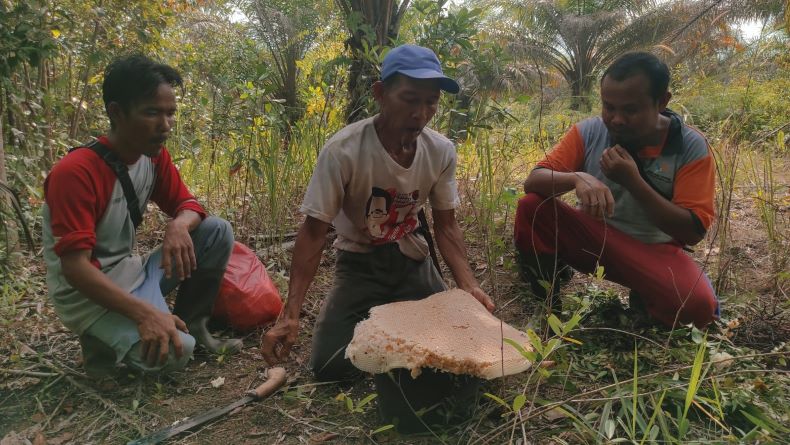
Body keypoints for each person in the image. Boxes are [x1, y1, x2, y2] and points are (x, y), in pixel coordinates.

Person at [261, 44, 495, 381]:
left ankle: (401, 330)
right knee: (330, 366)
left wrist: (468, 286)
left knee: (455, 349)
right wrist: (290, 313)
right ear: (381, 94)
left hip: (411, 259)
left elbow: (446, 227)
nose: (421, 113)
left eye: (431, 102)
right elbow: (313, 233)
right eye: (410, 99)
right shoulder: (344, 151)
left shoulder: (440, 151)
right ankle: (384, 326)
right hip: (358, 263)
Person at [42, 55, 241, 375]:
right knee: (177, 354)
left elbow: (191, 206)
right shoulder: (75, 173)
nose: (165, 126)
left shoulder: (153, 157)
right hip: (89, 296)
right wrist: (146, 315)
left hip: (133, 273)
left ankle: (195, 326)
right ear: (117, 112)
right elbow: (75, 269)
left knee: (216, 231)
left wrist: (179, 223)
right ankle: (100, 341)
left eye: (170, 114)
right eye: (152, 113)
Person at [514, 51, 719, 328]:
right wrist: (577, 178)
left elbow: (692, 232)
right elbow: (534, 180)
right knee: (532, 206)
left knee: (698, 308)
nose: (617, 119)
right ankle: (547, 298)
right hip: (593, 239)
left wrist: (633, 182)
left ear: (662, 102)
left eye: (630, 110)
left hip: (654, 250)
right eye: (609, 107)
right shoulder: (589, 132)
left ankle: (648, 299)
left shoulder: (690, 146)